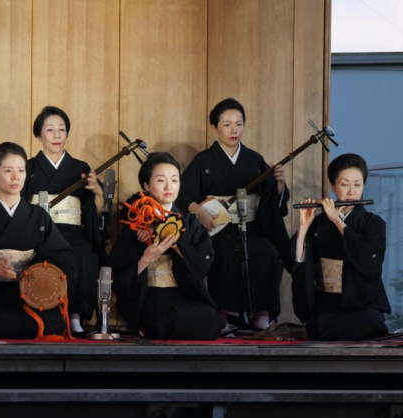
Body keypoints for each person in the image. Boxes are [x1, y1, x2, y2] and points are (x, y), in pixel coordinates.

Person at [176, 98, 289, 330]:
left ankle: (262, 312)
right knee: (224, 252)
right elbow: (183, 193)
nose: (233, 130)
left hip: (251, 227)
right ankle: (222, 312)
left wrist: (279, 186)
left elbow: (269, 200)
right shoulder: (204, 160)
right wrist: (198, 210)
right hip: (217, 229)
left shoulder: (254, 160)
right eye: (226, 124)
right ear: (214, 128)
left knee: (266, 251)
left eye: (238, 124)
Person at [0, 142, 76, 339]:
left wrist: (34, 269)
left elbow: (61, 253)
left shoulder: (38, 216)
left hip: (31, 292)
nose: (16, 177)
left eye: (21, 170)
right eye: (8, 171)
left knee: (51, 324)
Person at [106, 152, 223, 339]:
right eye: (161, 180)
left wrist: (177, 246)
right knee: (168, 319)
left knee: (211, 321)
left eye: (174, 180)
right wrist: (145, 259)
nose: (169, 186)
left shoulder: (190, 223)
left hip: (184, 293)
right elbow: (118, 273)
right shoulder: (136, 224)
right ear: (146, 185)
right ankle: (148, 325)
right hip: (150, 295)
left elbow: (204, 262)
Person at [290, 153, 389, 340]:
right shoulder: (318, 224)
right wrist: (303, 226)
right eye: (344, 184)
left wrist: (336, 220)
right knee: (318, 325)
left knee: (369, 322)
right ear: (332, 186)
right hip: (326, 312)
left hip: (363, 310)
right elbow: (297, 264)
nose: (352, 192)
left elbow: (369, 263)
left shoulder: (374, 223)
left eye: (357, 184)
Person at [23, 106, 104, 333]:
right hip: (41, 232)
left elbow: (92, 212)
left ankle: (75, 316)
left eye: (62, 129)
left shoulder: (80, 168)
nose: (57, 135)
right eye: (50, 130)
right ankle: (45, 314)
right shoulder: (28, 168)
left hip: (72, 231)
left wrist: (97, 191)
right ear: (38, 135)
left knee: (85, 255)